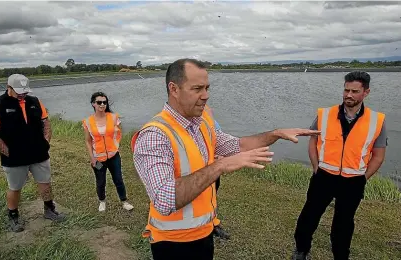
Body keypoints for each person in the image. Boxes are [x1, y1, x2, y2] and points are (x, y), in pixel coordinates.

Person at [131, 58, 320, 260]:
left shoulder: (201, 123)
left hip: (203, 233)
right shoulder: (155, 135)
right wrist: (220, 165)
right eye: (197, 89)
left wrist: (276, 133)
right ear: (174, 89)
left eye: (207, 88)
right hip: (173, 243)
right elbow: (164, 199)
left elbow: (237, 146)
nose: (206, 96)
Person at [292, 71, 387, 260]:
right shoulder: (325, 114)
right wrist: (316, 167)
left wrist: (363, 177)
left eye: (354, 91)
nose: (348, 95)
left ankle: (340, 254)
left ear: (366, 92)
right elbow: (313, 142)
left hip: (353, 181)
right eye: (346, 90)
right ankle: (301, 250)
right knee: (309, 216)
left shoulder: (377, 121)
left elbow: (378, 155)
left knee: (343, 224)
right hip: (324, 175)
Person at [0, 74, 65, 233]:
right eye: (19, 91)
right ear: (8, 87)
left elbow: (45, 122)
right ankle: (13, 216)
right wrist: (7, 152)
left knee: (45, 183)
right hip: (13, 158)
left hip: (39, 153)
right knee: (15, 187)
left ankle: (49, 209)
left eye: (25, 91)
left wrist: (46, 143)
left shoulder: (35, 101)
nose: (23, 94)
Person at [83, 92, 134, 212]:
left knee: (118, 179)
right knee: (101, 181)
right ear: (93, 104)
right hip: (98, 158)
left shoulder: (113, 117)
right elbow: (88, 141)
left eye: (104, 102)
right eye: (99, 102)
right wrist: (92, 158)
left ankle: (124, 201)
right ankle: (102, 202)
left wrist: (115, 146)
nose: (102, 105)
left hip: (114, 156)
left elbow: (119, 133)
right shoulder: (88, 122)